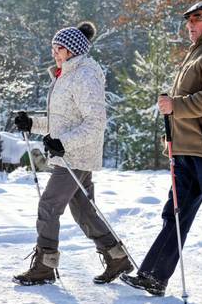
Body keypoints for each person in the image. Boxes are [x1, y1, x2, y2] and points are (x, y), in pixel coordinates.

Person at [120, 1, 202, 301]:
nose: (190, 23)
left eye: (198, 18)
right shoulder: (200, 50)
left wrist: (176, 105)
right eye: (188, 19)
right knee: (175, 213)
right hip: (189, 149)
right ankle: (154, 275)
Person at [12, 22, 134, 286]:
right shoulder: (66, 75)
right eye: (54, 47)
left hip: (76, 154)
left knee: (49, 205)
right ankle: (116, 257)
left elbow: (94, 122)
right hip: (70, 152)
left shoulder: (85, 75)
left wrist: (63, 143)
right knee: (83, 210)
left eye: (60, 48)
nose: (55, 52)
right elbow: (61, 121)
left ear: (73, 50)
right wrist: (32, 123)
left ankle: (45, 265)